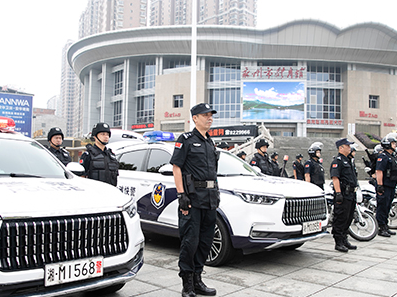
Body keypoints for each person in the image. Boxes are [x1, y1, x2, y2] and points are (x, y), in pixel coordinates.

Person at [170, 103, 219, 297]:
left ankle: (198, 279)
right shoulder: (186, 140)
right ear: (195, 118)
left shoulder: (210, 142)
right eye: (205, 115)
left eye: (211, 115)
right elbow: (176, 167)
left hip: (210, 199)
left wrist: (217, 192)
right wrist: (181, 194)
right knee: (190, 241)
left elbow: (213, 172)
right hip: (192, 199)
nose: (210, 118)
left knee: (206, 241)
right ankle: (187, 284)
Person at [330, 138, 358, 252]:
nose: (349, 148)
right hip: (343, 194)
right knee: (341, 218)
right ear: (341, 148)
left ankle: (344, 238)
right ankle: (338, 241)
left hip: (351, 194)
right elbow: (335, 178)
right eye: (347, 146)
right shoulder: (338, 161)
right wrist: (338, 193)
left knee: (349, 217)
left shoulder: (349, 161)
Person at [375, 136, 397, 237]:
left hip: (391, 185)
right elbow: (379, 171)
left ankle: (385, 225)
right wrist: (380, 185)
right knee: (382, 207)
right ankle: (381, 227)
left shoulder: (392, 156)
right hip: (384, 186)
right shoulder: (383, 157)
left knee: (387, 206)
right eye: (393, 143)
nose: (395, 145)